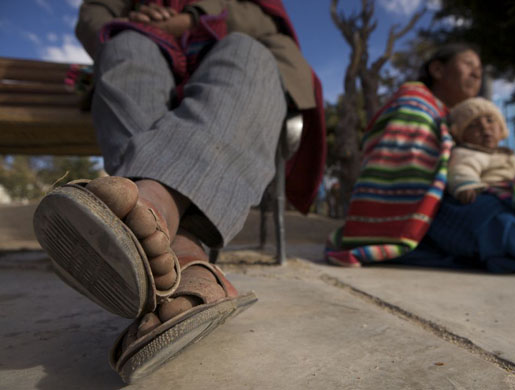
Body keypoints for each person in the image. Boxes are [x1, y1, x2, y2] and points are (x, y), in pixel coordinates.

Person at [33, 0, 325, 383]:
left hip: (228, 49)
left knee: (246, 53)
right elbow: (94, 13)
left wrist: (189, 21)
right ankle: (184, 253)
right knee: (127, 48)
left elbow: (261, 18)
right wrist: (131, 21)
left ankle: (152, 205)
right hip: (145, 49)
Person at [325, 43, 483, 267]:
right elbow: (400, 174)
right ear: (437, 70)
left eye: (480, 70)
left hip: (439, 210)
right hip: (420, 215)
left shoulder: (450, 118)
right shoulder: (415, 101)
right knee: (502, 227)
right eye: (468, 64)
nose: (477, 74)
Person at [447, 97, 515, 204]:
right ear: (461, 137)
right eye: (473, 125)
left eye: (490, 120)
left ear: (501, 128)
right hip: (492, 195)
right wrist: (467, 186)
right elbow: (462, 169)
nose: (484, 127)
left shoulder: (508, 155)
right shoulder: (467, 153)